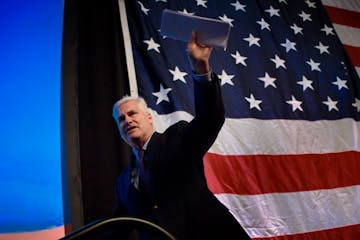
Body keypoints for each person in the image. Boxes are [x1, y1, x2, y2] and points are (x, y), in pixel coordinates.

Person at [112, 32, 251, 240]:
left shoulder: (177, 138)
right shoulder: (123, 181)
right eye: (121, 119)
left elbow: (210, 118)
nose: (127, 120)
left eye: (132, 114)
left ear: (149, 117)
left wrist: (200, 68)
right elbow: (117, 229)